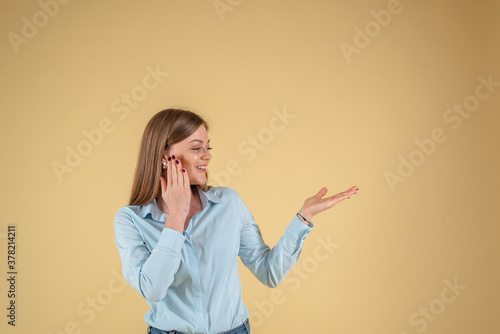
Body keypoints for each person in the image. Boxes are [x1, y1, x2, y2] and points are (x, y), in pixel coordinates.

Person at [114, 108, 359, 334]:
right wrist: (177, 214)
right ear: (165, 156)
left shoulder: (228, 203)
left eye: (208, 147)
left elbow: (269, 272)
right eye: (197, 148)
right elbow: (153, 290)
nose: (207, 156)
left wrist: (304, 217)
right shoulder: (131, 220)